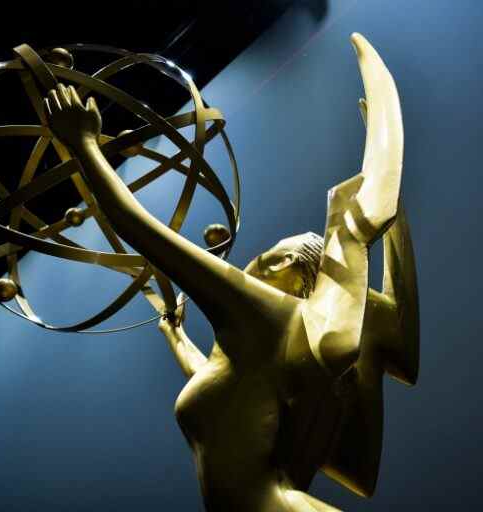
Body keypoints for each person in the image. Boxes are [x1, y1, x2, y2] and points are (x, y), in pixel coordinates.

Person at [46, 33, 418, 512]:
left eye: (266, 255)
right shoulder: (264, 346)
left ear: (284, 264)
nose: (253, 261)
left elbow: (143, 232)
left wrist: (83, 145)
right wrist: (176, 337)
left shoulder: (260, 309)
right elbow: (231, 399)